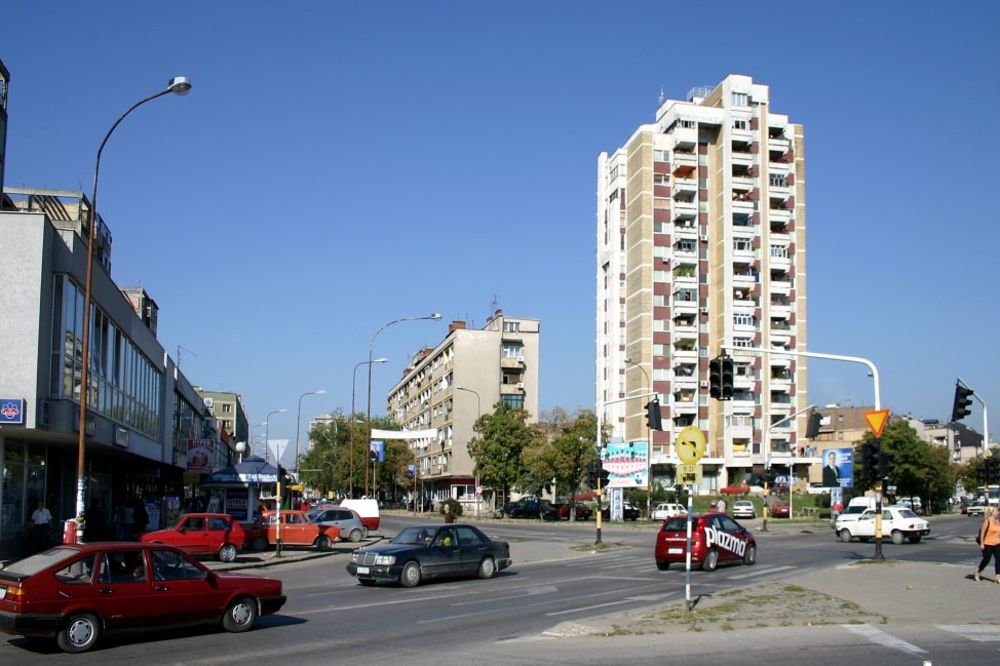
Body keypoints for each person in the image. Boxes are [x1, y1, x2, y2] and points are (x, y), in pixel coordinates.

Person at [975, 505, 1000, 583]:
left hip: (997, 543)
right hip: (987, 544)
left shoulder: (997, 521)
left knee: (998, 560)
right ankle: (978, 571)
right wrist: (982, 544)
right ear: (992, 512)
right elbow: (982, 533)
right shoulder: (987, 521)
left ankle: (997, 576)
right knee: (986, 559)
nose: (998, 512)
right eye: (996, 511)